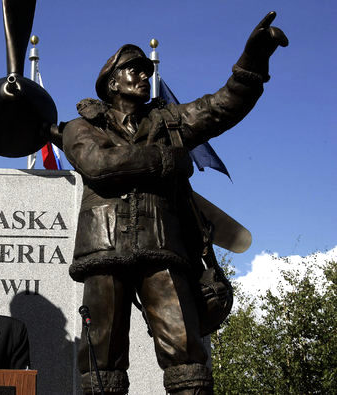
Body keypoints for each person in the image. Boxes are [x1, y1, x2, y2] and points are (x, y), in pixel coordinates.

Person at [62, 12, 288, 395]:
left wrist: (253, 60)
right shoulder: (82, 126)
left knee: (187, 351)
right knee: (101, 357)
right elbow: (97, 165)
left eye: (145, 70)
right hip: (103, 247)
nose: (144, 76)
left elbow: (222, 105)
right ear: (111, 82)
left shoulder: (170, 122)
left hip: (162, 244)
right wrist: (167, 160)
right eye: (134, 69)